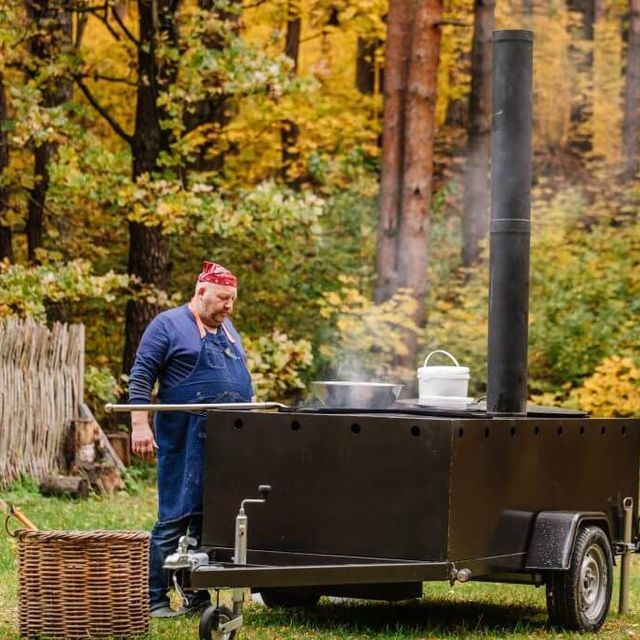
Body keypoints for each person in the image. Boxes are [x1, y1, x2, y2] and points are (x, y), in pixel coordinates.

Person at [128, 260, 253, 618]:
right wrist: (140, 425)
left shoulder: (228, 330)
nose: (228, 306)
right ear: (201, 292)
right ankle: (153, 598)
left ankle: (196, 596)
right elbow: (140, 378)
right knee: (174, 518)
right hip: (186, 436)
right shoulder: (167, 325)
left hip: (226, 436)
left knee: (207, 520)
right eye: (222, 298)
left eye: (232, 299)